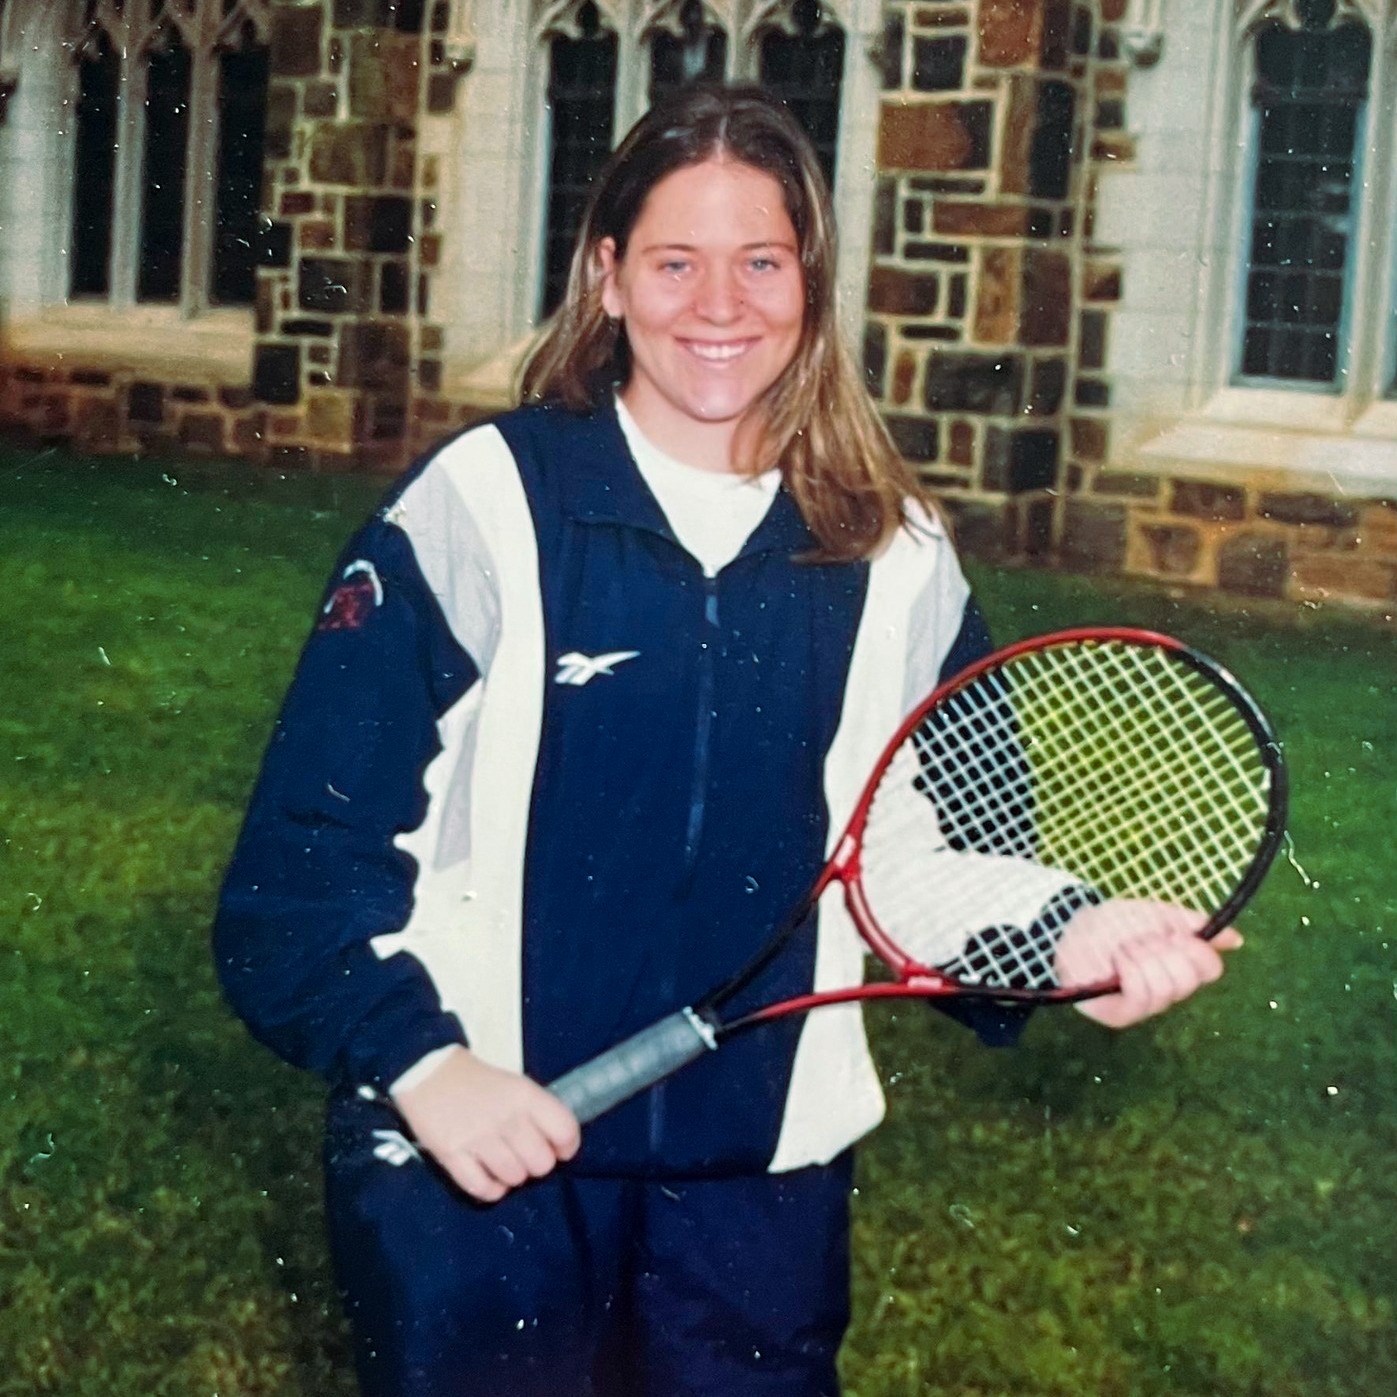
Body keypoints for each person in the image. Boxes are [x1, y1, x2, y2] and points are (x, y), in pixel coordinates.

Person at [214, 85, 1240, 1397]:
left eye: (760, 261)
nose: (720, 305)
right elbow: (293, 885)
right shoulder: (482, 508)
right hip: (473, 1178)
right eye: (674, 262)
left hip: (756, 1203)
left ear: (808, 282)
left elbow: (926, 863)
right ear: (606, 276)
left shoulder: (893, 553)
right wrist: (422, 1061)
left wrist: (1071, 938)